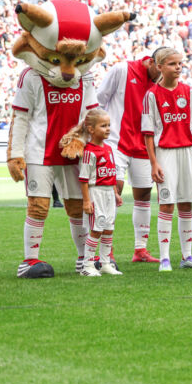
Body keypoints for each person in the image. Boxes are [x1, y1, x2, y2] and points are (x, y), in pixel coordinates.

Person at [11, 64, 99, 278]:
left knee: (78, 206)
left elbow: (91, 116)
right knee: (38, 206)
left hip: (73, 152)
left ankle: (84, 258)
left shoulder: (85, 76)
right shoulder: (32, 74)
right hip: (39, 153)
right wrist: (15, 152)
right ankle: (29, 260)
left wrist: (84, 143)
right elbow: (20, 116)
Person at [142, 48, 192, 271]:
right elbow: (148, 133)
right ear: (159, 67)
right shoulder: (152, 95)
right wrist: (153, 162)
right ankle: (164, 259)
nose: (178, 67)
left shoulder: (188, 91)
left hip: (188, 152)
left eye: (180, 63)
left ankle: (187, 256)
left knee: (187, 203)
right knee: (167, 204)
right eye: (172, 64)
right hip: (165, 153)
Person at [96, 48, 165, 263]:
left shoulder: (162, 81)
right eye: (161, 68)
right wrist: (98, 134)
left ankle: (140, 250)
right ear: (152, 63)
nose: (164, 74)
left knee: (143, 195)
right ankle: (107, 251)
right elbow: (100, 99)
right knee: (112, 192)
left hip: (144, 145)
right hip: (116, 142)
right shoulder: (122, 69)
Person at [69, 108, 123, 276]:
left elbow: (111, 174)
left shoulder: (108, 149)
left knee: (108, 229)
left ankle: (105, 263)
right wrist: (86, 201)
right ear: (91, 129)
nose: (107, 129)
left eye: (108, 125)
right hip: (96, 193)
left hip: (108, 193)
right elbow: (84, 179)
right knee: (96, 229)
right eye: (103, 126)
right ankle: (87, 265)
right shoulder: (89, 152)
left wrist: (115, 193)